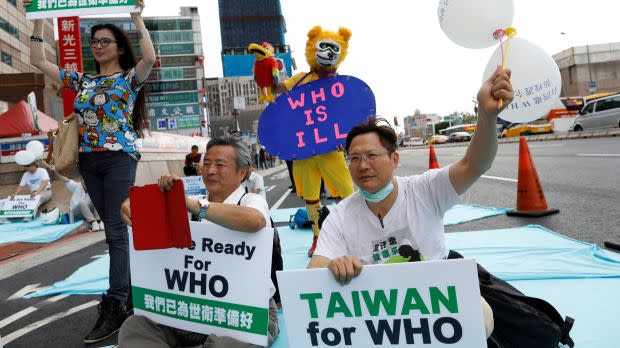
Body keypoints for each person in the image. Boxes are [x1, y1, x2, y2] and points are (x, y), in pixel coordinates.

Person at [307, 66, 514, 339]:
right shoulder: (341, 215)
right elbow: (314, 271)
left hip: (438, 300)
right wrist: (334, 266)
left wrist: (486, 116)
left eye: (371, 155)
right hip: (379, 313)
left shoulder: (426, 189)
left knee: (479, 316)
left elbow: (474, 164)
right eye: (354, 158)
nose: (362, 165)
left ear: (394, 159)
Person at [23, 0, 156, 342]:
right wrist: (39, 19)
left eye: (104, 41)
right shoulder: (81, 81)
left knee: (114, 229)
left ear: (117, 48)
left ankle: (117, 302)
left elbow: (150, 58)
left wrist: (136, 17)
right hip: (89, 162)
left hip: (118, 159)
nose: (97, 46)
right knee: (114, 230)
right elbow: (37, 61)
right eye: (94, 42)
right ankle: (127, 295)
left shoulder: (129, 79)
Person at [118, 135, 279, 347]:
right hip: (189, 308)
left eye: (220, 165)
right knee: (135, 327)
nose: (211, 171)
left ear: (243, 172)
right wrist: (131, 205)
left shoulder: (251, 201)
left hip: (243, 311)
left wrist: (195, 207)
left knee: (224, 345)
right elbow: (149, 208)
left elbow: (255, 220)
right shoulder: (192, 201)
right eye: (207, 164)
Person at [40, 162, 103, 231]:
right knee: (82, 202)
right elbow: (63, 179)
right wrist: (54, 171)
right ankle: (93, 222)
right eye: (83, 180)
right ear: (81, 181)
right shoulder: (77, 186)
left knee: (97, 199)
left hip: (89, 211)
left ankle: (99, 221)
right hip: (76, 212)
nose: (85, 183)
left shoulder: (94, 188)